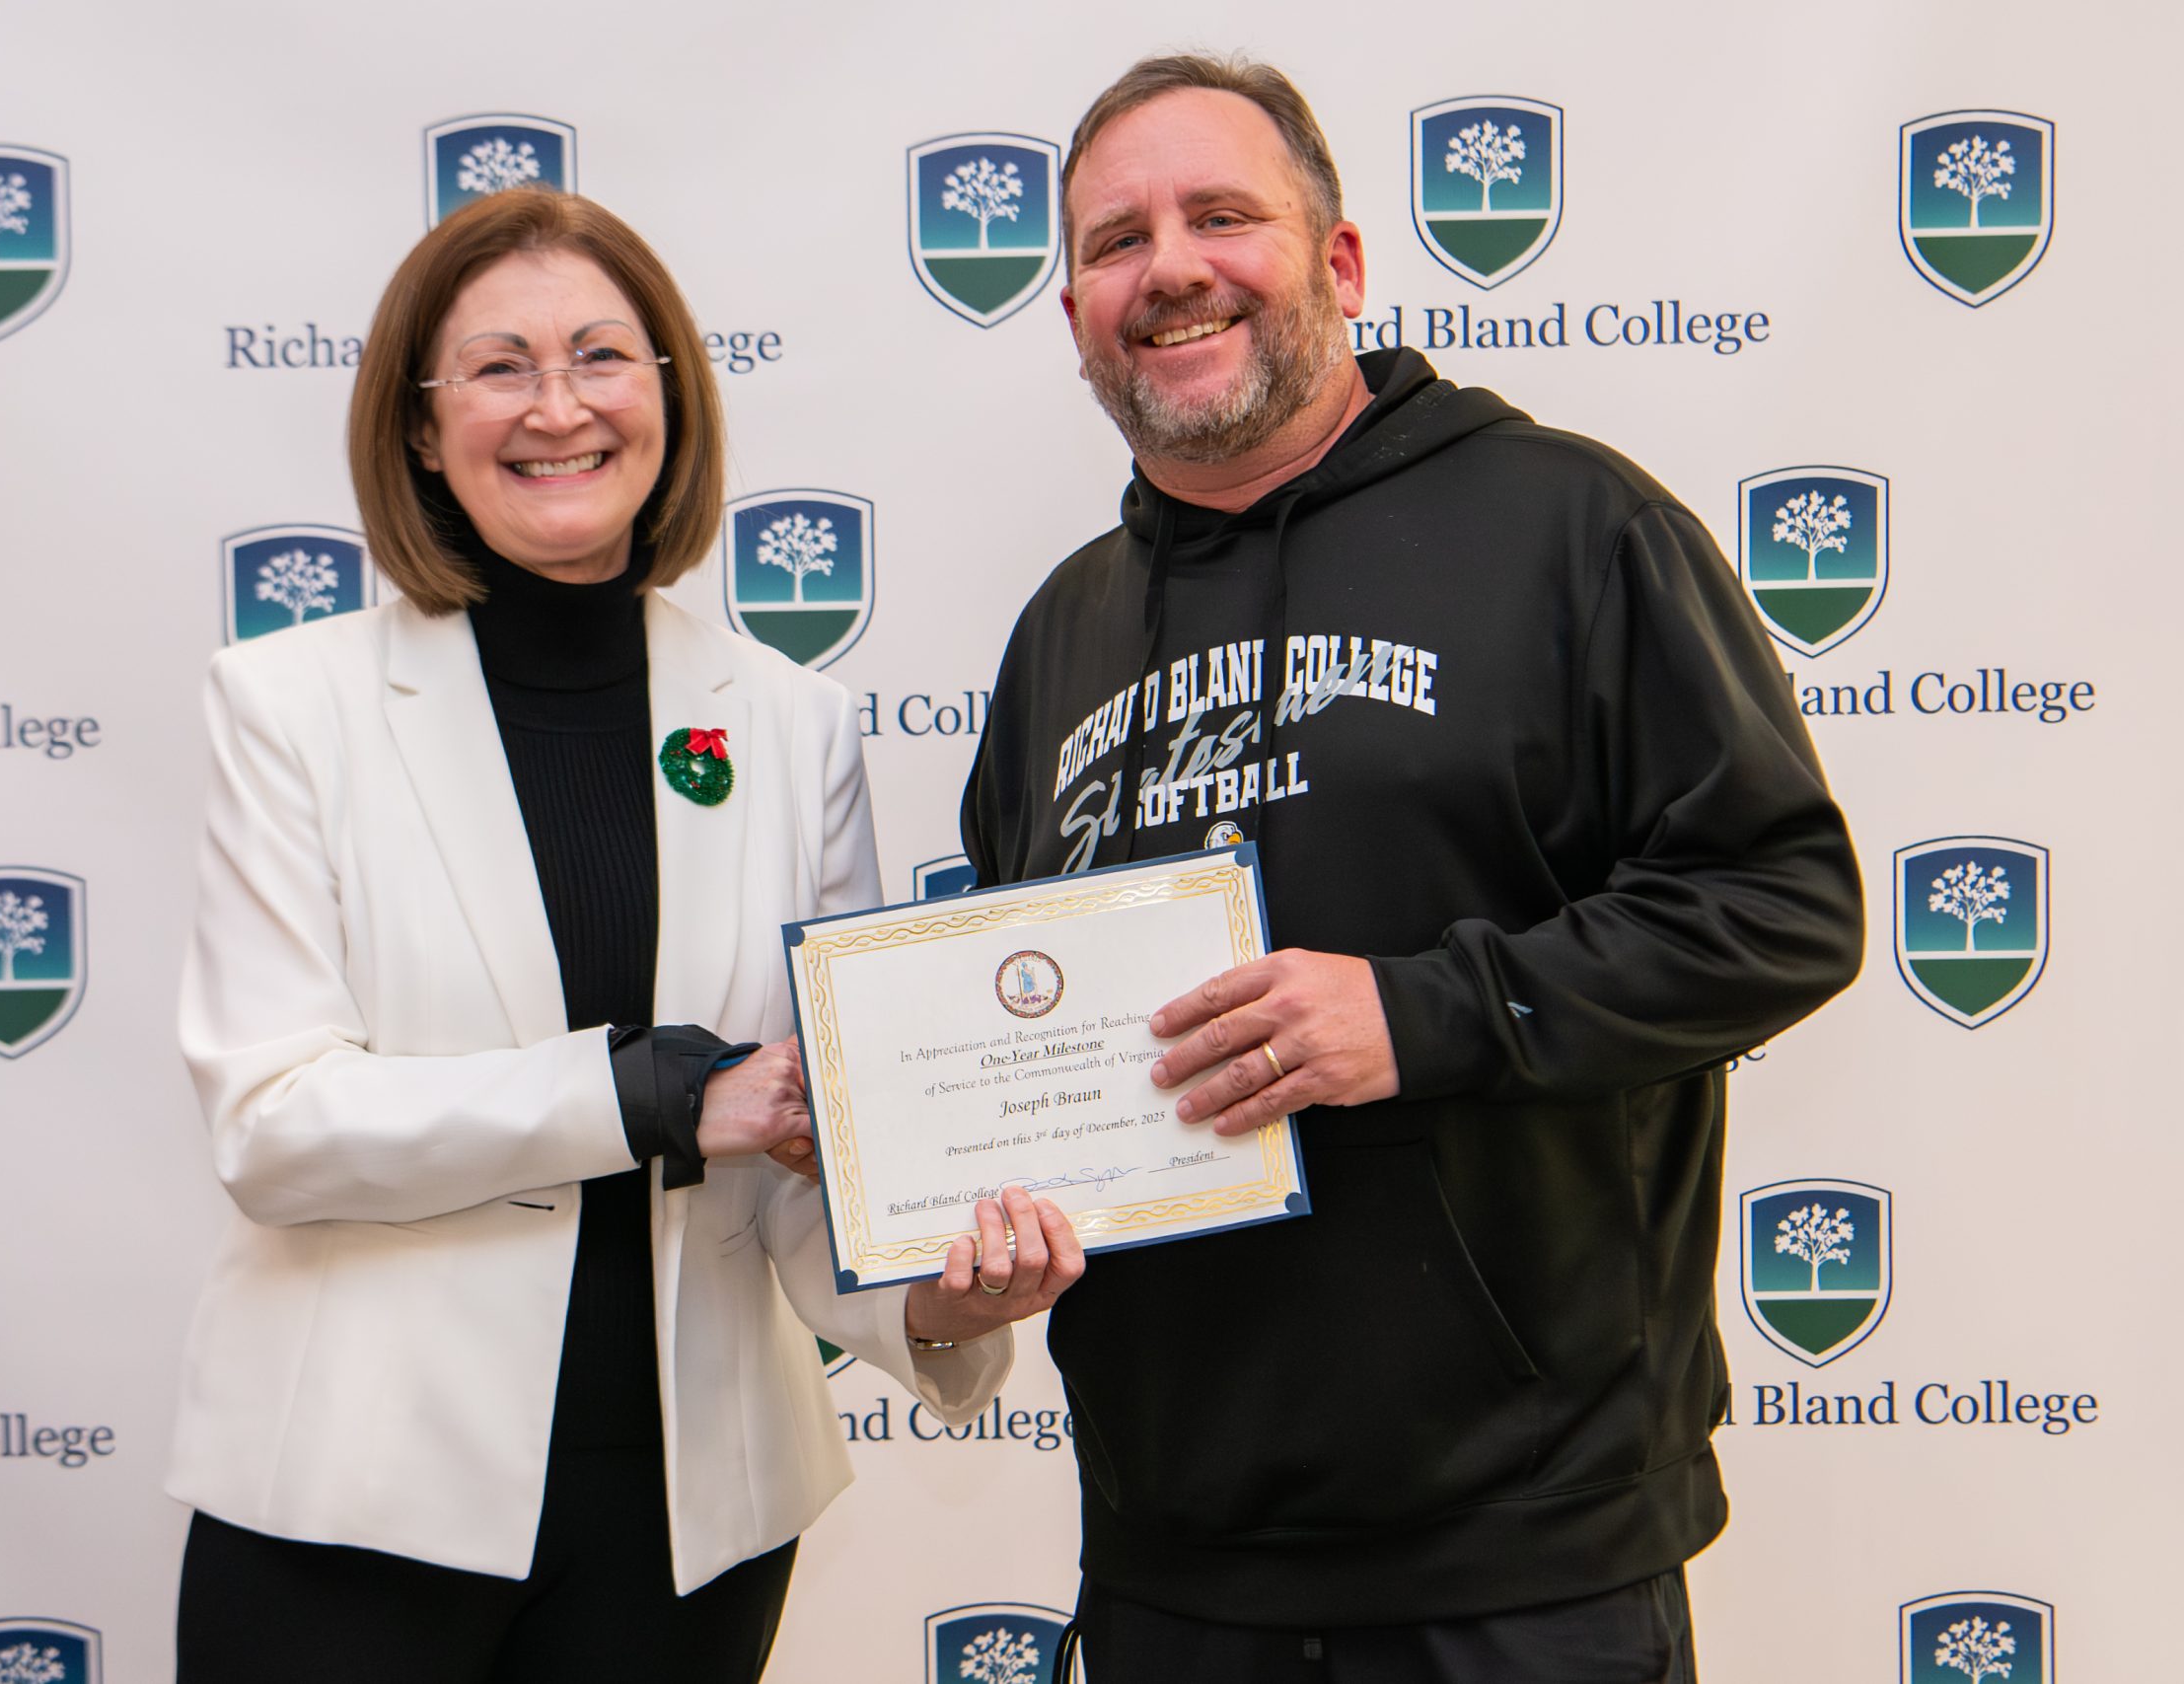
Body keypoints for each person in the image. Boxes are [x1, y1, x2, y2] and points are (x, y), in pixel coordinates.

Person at [959, 54, 1864, 1683]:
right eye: (1116, 240)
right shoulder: (1065, 631)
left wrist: (1425, 1014)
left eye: (1221, 215)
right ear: (1078, 310)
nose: (1170, 267)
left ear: (1342, 262)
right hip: (1178, 1561)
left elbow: (1782, 903)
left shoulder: (1573, 528)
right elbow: (1010, 1016)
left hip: (1527, 1563)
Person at [169, 186, 1081, 1682]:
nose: (558, 407)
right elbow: (273, 1127)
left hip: (686, 1531)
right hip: (348, 1508)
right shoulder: (289, 708)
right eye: (499, 367)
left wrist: (937, 1296)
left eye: (602, 355)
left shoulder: (791, 724)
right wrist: (644, 1095)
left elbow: (812, 1150)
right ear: (421, 427)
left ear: (668, 397)